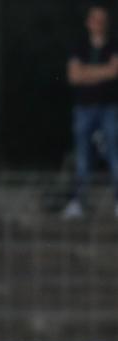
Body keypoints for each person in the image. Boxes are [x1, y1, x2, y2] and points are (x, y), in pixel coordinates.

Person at [64, 3, 118, 219]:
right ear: (88, 22)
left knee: (115, 153)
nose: (98, 23)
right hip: (84, 109)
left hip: (110, 108)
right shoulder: (79, 46)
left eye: (102, 19)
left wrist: (87, 72)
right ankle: (78, 202)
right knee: (82, 156)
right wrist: (104, 71)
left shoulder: (114, 44)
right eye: (95, 19)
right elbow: (74, 76)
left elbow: (115, 71)